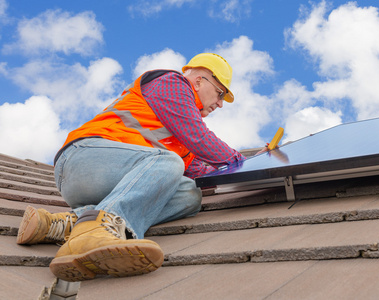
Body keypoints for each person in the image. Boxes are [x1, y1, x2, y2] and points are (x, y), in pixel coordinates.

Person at [16, 53, 258, 282]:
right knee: (168, 162)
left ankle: (65, 224)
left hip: (110, 179)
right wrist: (243, 162)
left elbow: (208, 172)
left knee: (188, 194)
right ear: (198, 81)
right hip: (81, 161)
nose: (220, 103)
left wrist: (257, 164)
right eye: (219, 93)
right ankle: (97, 230)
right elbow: (199, 138)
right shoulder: (172, 83)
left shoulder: (179, 140)